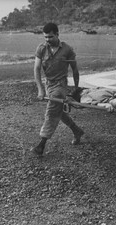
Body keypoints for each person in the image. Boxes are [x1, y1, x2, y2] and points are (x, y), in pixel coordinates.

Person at [31, 22, 84, 156]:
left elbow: (75, 70)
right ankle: (76, 130)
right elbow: (36, 69)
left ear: (57, 34)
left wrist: (76, 89)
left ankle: (41, 145)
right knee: (58, 111)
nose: (48, 40)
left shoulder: (67, 50)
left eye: (50, 37)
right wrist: (40, 89)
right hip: (48, 84)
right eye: (45, 37)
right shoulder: (41, 48)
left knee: (51, 112)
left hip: (61, 85)